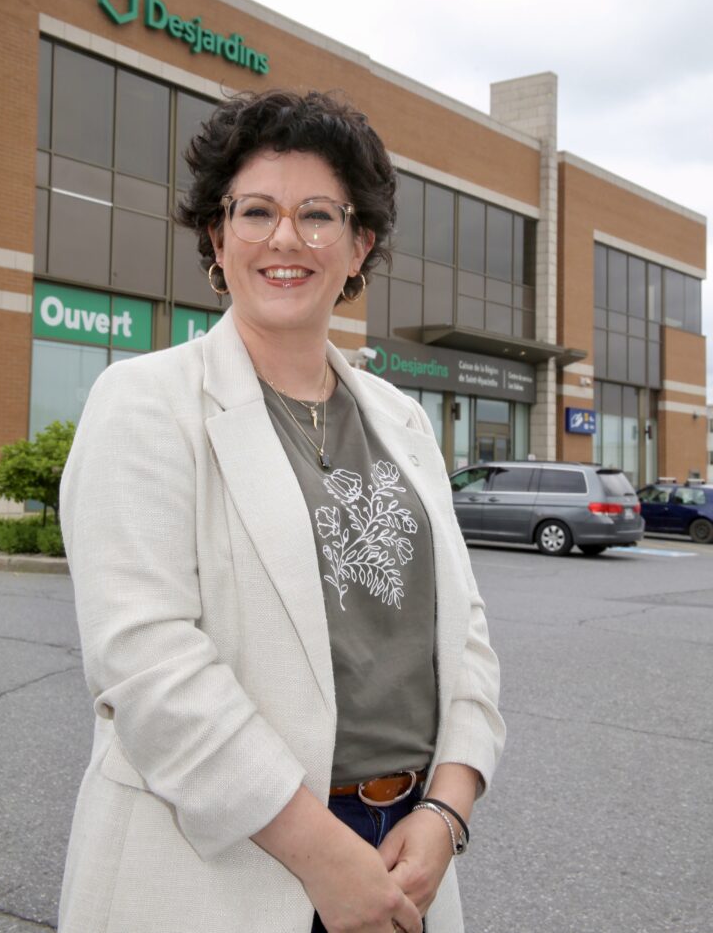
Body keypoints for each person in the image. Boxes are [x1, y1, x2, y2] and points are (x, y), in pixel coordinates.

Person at [58, 89, 505, 933]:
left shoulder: (402, 421)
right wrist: (322, 854)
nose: (285, 239)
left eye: (318, 215)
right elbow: (146, 662)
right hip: (222, 865)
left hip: (408, 848)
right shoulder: (145, 402)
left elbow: (466, 634)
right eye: (255, 211)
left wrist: (448, 810)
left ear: (359, 243)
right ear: (217, 238)